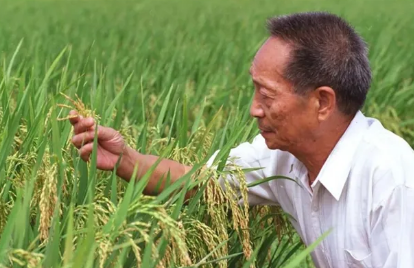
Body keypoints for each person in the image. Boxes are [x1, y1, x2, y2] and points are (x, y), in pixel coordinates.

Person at [69, 12, 414, 268]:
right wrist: (125, 160)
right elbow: (202, 183)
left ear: (322, 102)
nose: (254, 110)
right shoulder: (281, 158)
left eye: (267, 95)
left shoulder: (391, 179)